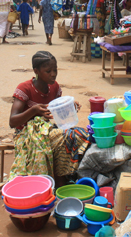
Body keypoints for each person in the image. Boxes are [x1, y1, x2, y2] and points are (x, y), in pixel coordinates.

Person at [8, 51, 87, 183]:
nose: (53, 74)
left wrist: (69, 108)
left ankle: (64, 177)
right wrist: (33, 111)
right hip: (26, 135)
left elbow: (59, 115)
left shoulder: (54, 87)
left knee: (81, 135)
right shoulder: (25, 88)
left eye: (55, 70)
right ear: (36, 71)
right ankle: (58, 182)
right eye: (48, 71)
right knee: (67, 136)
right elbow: (12, 121)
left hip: (46, 131)